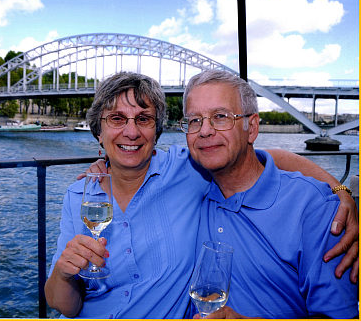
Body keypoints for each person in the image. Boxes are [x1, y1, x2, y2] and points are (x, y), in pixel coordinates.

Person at [45, 72, 357, 319]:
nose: (131, 131)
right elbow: (65, 305)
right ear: (98, 130)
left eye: (143, 119)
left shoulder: (188, 169)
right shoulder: (80, 195)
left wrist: (340, 194)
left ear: (158, 130)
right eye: (116, 119)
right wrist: (62, 269)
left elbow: (263, 157)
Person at [183, 70, 357, 318]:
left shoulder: (314, 208)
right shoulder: (188, 185)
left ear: (251, 128)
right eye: (194, 120)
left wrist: (340, 192)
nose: (205, 130)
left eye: (220, 117)